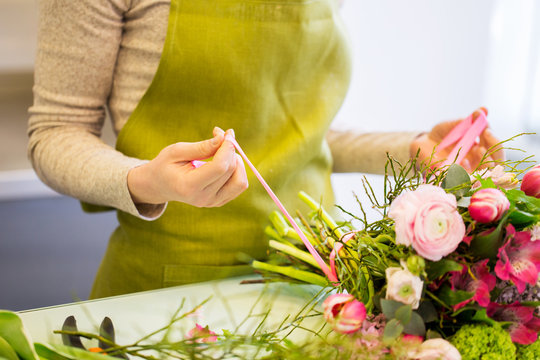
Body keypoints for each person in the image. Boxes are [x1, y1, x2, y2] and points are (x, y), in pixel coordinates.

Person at [28, 0, 502, 299]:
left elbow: (302, 133)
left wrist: (412, 149)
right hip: (168, 290)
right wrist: (150, 182)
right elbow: (55, 131)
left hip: (317, 281)